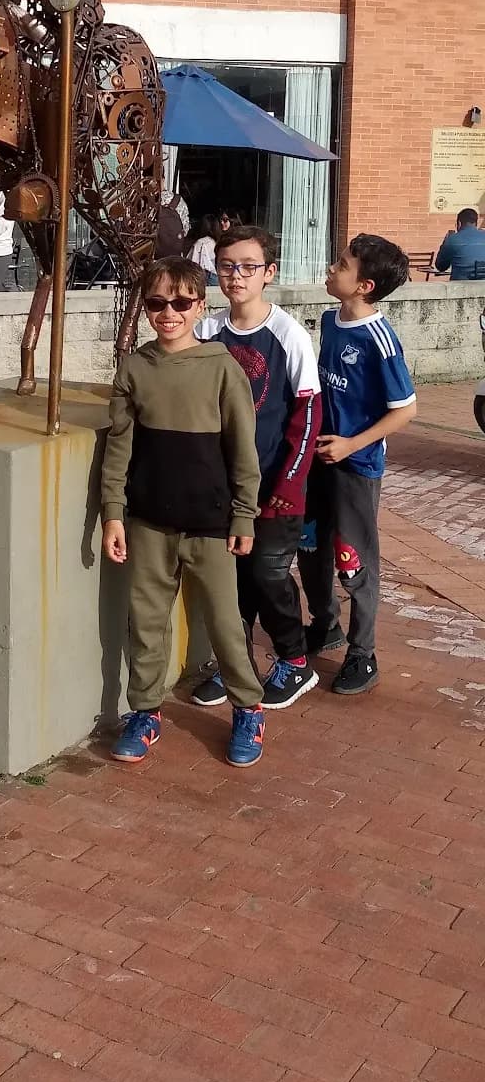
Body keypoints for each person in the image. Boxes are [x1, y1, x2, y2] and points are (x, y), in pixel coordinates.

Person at [100, 255, 266, 769]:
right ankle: (145, 712)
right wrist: (113, 513)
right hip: (148, 522)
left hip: (211, 523)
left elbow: (243, 450)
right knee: (146, 622)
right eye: (156, 302)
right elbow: (120, 450)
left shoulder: (222, 368)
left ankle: (248, 708)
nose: (168, 312)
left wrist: (244, 515)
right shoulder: (134, 368)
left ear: (200, 305)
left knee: (223, 621)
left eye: (180, 302)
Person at [193, 225, 323, 709]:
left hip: (275, 485)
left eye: (249, 267)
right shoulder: (206, 330)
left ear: (269, 273)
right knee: (231, 578)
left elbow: (307, 416)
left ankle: (294, 660)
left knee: (268, 573)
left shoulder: (288, 335)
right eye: (227, 266)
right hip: (221, 485)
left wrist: (288, 484)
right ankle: (235, 663)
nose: (236, 276)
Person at [297, 235, 417, 695]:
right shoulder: (332, 320)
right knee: (311, 546)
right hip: (318, 460)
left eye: (342, 264)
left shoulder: (379, 340)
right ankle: (324, 623)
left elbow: (404, 409)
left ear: (363, 285)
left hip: (356, 465)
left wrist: (351, 445)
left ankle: (362, 654)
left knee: (354, 558)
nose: (332, 267)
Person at [435, 207, 485, 280]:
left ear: (459, 223)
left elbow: (441, 267)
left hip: (459, 287)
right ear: (476, 223)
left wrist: (444, 243)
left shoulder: (452, 239)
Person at [189, 214, 222, 285]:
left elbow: (193, 263)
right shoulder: (217, 242)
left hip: (206, 277)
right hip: (217, 277)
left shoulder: (201, 242)